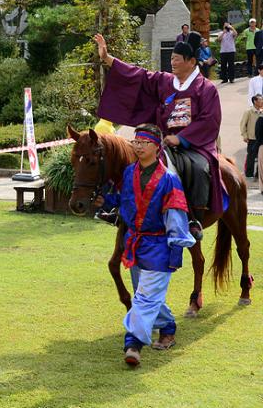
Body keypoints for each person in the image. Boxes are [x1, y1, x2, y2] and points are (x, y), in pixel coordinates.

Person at [94, 31, 226, 240]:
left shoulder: (206, 88)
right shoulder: (164, 81)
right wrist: (108, 59)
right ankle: (120, 208)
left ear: (191, 62)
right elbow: (138, 75)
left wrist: (181, 138)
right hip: (163, 141)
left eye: (176, 59)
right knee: (134, 162)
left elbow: (209, 119)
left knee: (199, 168)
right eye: (171, 58)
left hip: (195, 144)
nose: (172, 62)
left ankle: (195, 218)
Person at [94, 124, 196, 367]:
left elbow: (175, 215)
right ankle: (168, 327)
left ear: (156, 147)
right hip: (135, 242)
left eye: (143, 143)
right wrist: (107, 200)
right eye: (135, 142)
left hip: (159, 245)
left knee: (145, 298)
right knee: (145, 293)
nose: (138, 146)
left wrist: (176, 249)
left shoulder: (170, 180)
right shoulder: (129, 173)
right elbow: (125, 200)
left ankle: (134, 344)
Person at [242, 95, 263, 178]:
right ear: (255, 101)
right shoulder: (248, 112)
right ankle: (249, 174)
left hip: (260, 139)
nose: (262, 101)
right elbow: (243, 125)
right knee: (251, 156)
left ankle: (258, 174)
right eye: (261, 100)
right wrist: (245, 135)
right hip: (252, 138)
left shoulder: (262, 112)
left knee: (260, 157)